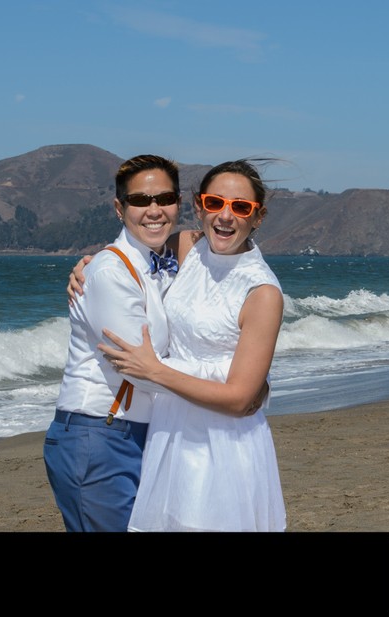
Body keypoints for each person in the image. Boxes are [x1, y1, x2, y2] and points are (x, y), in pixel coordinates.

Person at [98, 159, 286, 532]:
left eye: (241, 207)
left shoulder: (262, 292)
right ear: (199, 207)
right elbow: (130, 254)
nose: (225, 216)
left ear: (258, 217)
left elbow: (238, 399)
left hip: (223, 444)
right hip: (170, 429)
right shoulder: (189, 248)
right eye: (215, 203)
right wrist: (90, 265)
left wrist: (156, 372)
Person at [44, 154, 183, 532]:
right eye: (140, 201)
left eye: (165, 199)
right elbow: (140, 369)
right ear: (120, 209)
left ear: (179, 204)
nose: (154, 210)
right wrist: (229, 385)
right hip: (99, 434)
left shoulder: (160, 263)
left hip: (138, 431)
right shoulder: (108, 272)